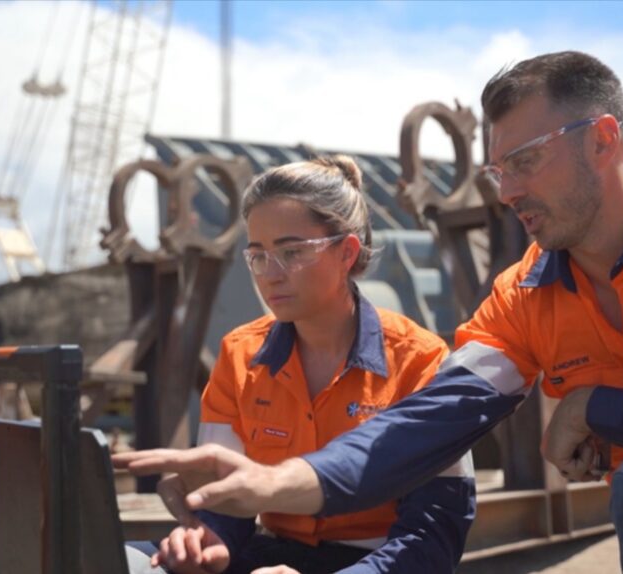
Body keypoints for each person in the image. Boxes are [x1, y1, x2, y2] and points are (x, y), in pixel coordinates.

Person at [116, 52, 623, 573]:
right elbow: (433, 419)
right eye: (495, 168)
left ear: (603, 140)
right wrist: (275, 485)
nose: (506, 191)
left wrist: (593, 406)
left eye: (525, 161)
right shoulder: (526, 293)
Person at [127, 155, 475, 574]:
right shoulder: (240, 355)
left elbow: (433, 535)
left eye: (292, 252)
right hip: (269, 555)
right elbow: (227, 501)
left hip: (374, 563)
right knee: (119, 561)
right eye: (258, 255)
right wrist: (209, 541)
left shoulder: (421, 361)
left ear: (347, 252)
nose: (270, 274)